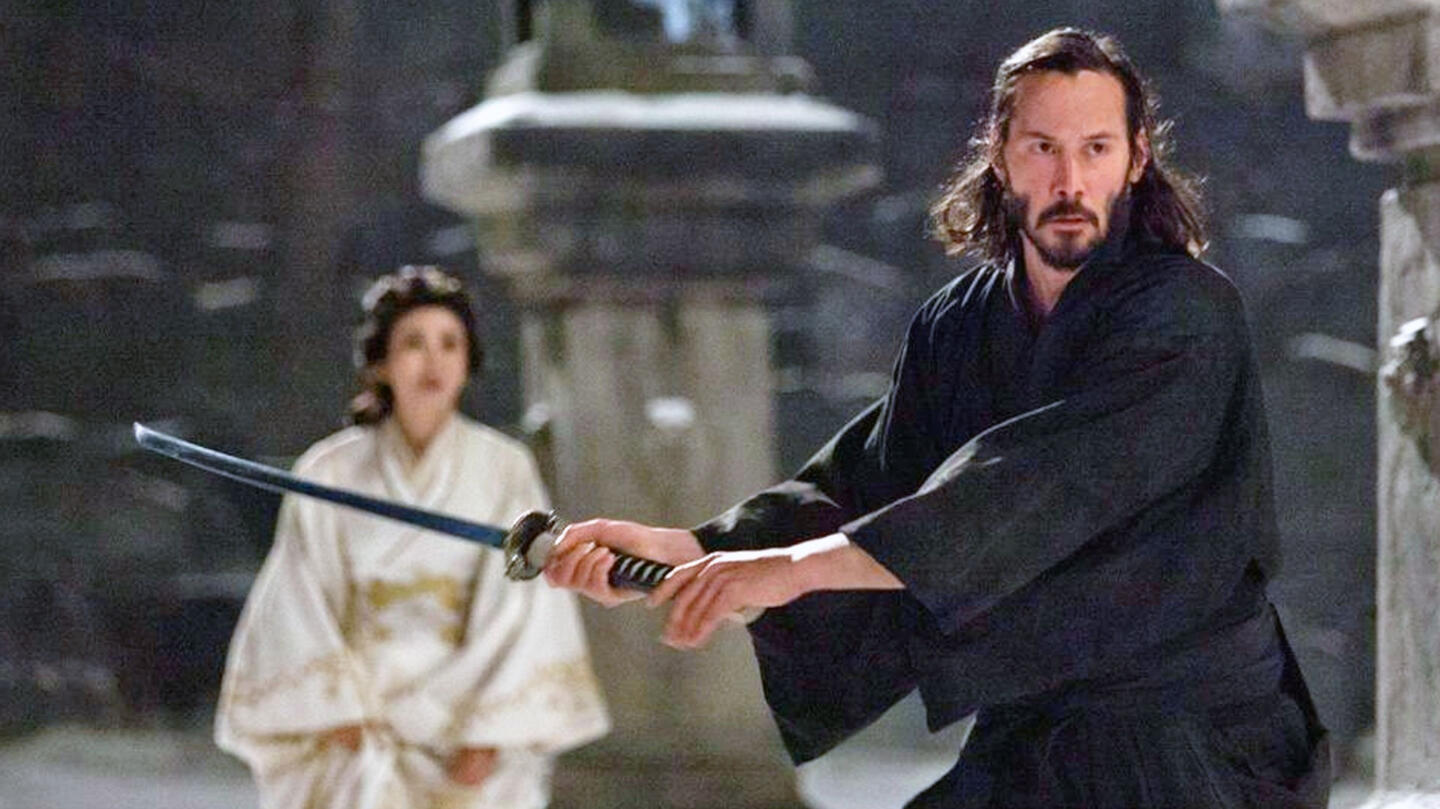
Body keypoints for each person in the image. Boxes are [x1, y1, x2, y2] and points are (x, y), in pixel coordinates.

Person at [543, 28, 1330, 809]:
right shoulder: (959, 325)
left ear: (1136, 159)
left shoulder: (1187, 315)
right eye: (1042, 148)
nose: (1069, 180)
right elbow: (869, 483)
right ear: (1000, 155)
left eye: (1096, 149)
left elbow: (1023, 493)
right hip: (1038, 731)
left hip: (1192, 741)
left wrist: (790, 569)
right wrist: (701, 548)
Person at [216, 266, 609, 809]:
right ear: (381, 362)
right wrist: (339, 715)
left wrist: (489, 730)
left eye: (449, 344)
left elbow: (525, 605)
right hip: (360, 721)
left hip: (465, 714)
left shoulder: (504, 468)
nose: (433, 361)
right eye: (413, 343)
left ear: (468, 361)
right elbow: (296, 598)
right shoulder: (329, 470)